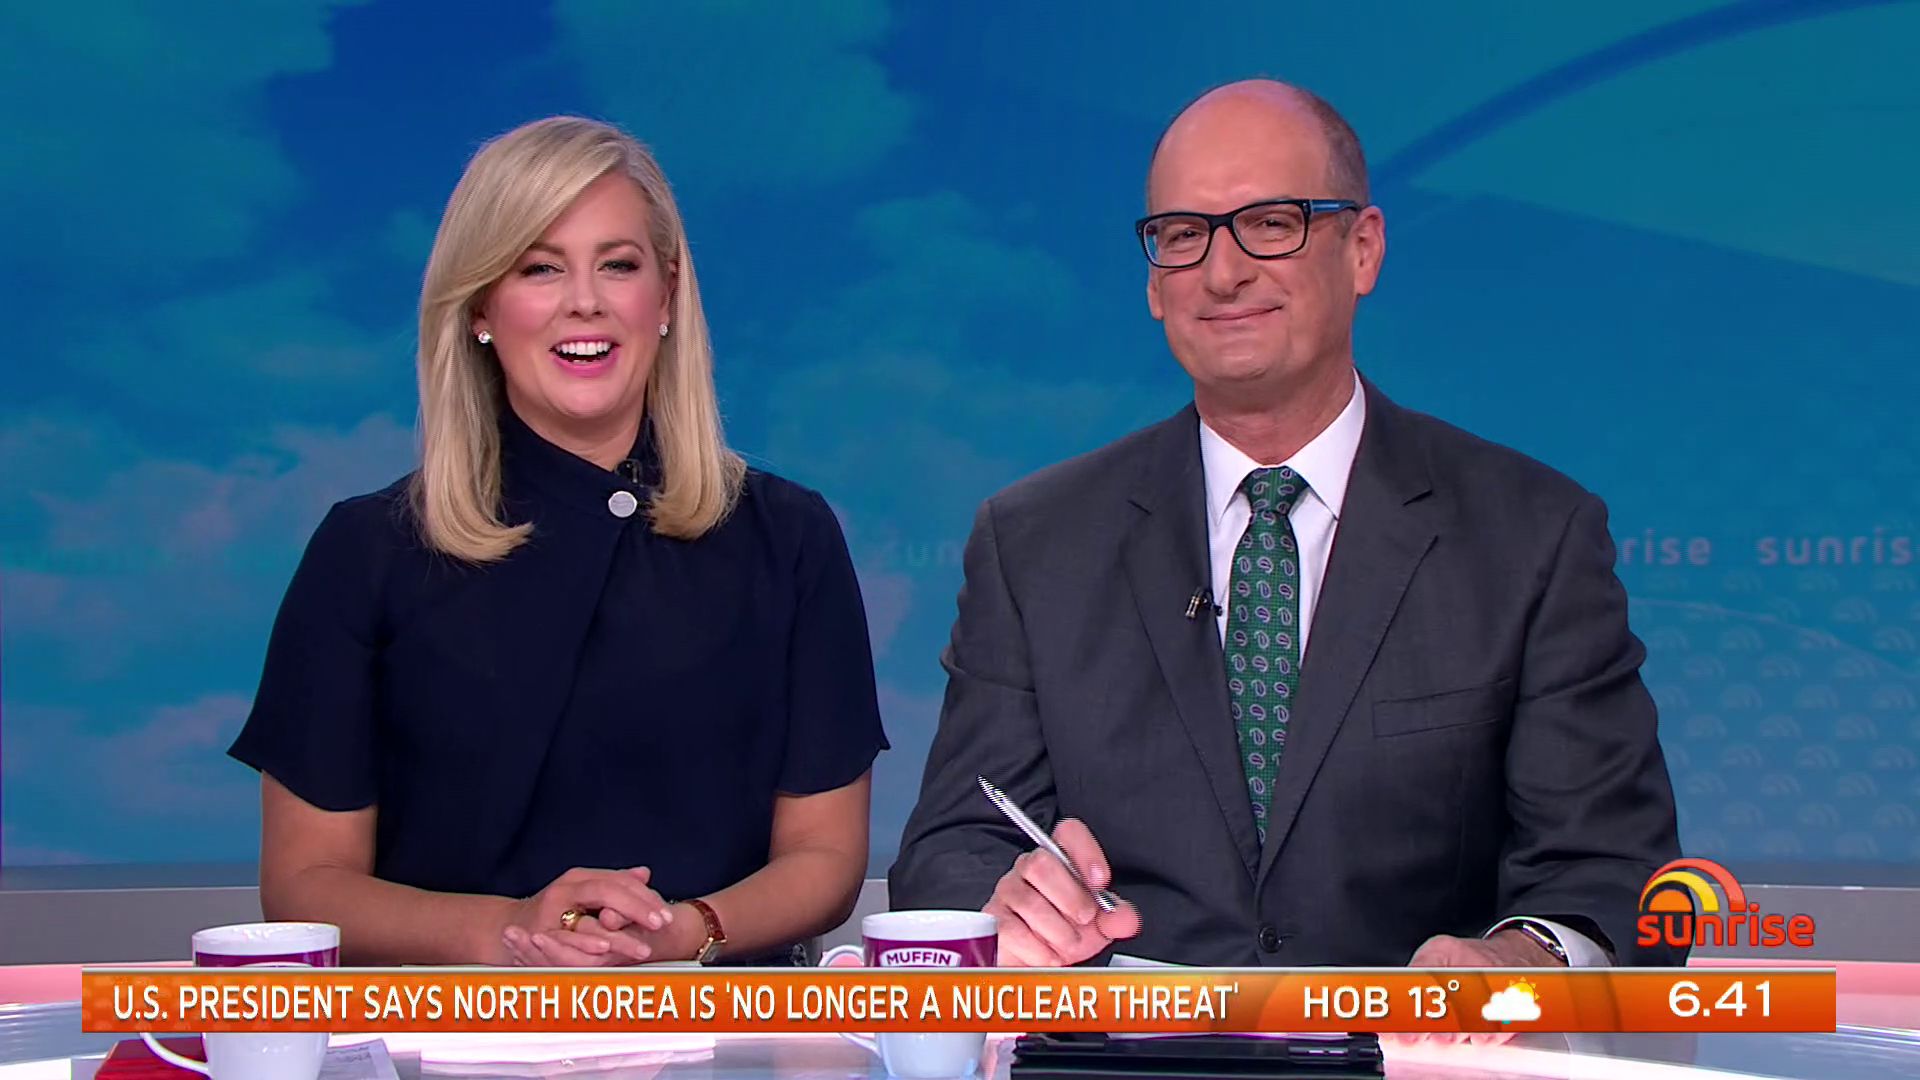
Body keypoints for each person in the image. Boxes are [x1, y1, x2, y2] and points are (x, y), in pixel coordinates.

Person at [890, 80, 1682, 974]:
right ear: (1153, 283)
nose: (1223, 272)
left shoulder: (1531, 535)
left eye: (1272, 223)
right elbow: (951, 849)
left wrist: (1518, 961)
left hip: (1422, 1042)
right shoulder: (1033, 543)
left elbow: (1610, 869)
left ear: (1363, 249)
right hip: (1120, 1043)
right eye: (1183, 236)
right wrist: (1003, 906)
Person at [230, 116, 888, 967]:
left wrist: (681, 932)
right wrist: (512, 934)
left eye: (618, 265)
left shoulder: (789, 537)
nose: (586, 301)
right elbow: (306, 882)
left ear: (666, 296)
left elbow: (825, 857)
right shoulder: (366, 552)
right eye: (540, 268)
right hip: (451, 1024)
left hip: (718, 1017)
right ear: (480, 307)